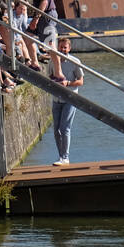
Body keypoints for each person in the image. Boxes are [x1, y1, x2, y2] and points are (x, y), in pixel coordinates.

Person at [19, 0, 59, 76]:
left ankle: (58, 73)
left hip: (46, 16)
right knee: (27, 35)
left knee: (50, 44)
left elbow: (44, 2)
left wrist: (36, 19)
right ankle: (35, 63)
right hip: (47, 14)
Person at [51, 36, 84, 165]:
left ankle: (65, 157)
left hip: (70, 98)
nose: (63, 49)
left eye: (65, 47)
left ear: (69, 48)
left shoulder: (75, 61)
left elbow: (81, 81)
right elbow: (49, 76)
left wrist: (68, 83)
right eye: (61, 47)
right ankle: (60, 157)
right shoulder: (52, 61)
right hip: (56, 99)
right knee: (56, 130)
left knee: (65, 128)